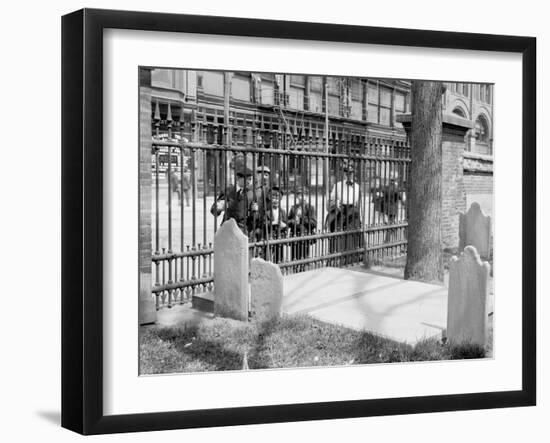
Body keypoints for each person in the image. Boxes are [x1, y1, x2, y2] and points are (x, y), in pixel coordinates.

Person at [325, 160, 362, 265]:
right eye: (347, 172)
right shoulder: (338, 185)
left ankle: (351, 259)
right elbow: (330, 200)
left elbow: (358, 202)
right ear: (344, 173)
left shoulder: (357, 186)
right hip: (340, 211)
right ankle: (336, 259)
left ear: (354, 173)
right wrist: (335, 203)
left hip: (352, 212)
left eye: (351, 172)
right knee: (339, 235)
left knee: (351, 235)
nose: (349, 174)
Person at [210, 157, 256, 237]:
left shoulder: (251, 194)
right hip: (227, 228)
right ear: (238, 178)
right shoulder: (228, 191)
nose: (248, 182)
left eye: (250, 179)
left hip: (242, 230)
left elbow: (253, 217)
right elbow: (214, 211)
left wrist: (255, 211)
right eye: (246, 179)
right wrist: (218, 208)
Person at [287, 188, 317, 270]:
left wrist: (302, 219)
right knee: (294, 259)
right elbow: (287, 221)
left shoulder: (310, 207)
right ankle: (295, 270)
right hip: (295, 236)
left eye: (303, 195)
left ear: (306, 196)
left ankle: (303, 269)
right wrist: (293, 221)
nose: (301, 197)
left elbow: (314, 223)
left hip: (305, 236)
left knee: (304, 259)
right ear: (297, 197)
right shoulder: (293, 208)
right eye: (299, 195)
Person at [265, 185, 287, 263]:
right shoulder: (266, 211)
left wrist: (284, 225)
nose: (275, 200)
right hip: (269, 237)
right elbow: (263, 223)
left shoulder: (282, 211)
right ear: (270, 198)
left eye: (277, 198)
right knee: (268, 258)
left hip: (279, 236)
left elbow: (286, 224)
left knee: (279, 257)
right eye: (273, 198)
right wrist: (273, 223)